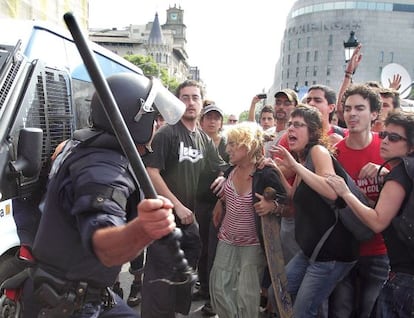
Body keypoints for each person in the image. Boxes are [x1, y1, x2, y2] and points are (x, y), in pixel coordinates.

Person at [21, 73, 178, 318]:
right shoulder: (103, 169)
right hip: (68, 304)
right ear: (136, 120)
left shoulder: (88, 146)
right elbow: (105, 246)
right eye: (153, 118)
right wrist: (143, 230)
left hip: (84, 293)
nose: (157, 125)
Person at [141, 79, 227, 318]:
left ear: (202, 103)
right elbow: (151, 172)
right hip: (165, 219)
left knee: (181, 280)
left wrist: (221, 176)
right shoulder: (167, 132)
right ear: (176, 102)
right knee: (159, 284)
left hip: (189, 222)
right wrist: (177, 206)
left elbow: (220, 165)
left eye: (195, 97)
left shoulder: (203, 138)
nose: (190, 102)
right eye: (185, 97)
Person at [272, 105, 358, 317]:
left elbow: (331, 191)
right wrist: (277, 170)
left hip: (332, 253)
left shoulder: (317, 151)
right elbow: (293, 195)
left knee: (303, 312)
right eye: (290, 124)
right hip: (311, 250)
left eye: (298, 125)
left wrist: (294, 165)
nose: (291, 129)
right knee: (281, 292)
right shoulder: (302, 158)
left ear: (312, 131)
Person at [326, 111, 414, 317]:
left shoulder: (399, 173)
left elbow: (377, 222)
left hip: (404, 277)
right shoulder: (403, 171)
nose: (384, 141)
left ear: (411, 146)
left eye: (393, 138)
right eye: (383, 135)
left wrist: (346, 192)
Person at [209, 121, 287, 318]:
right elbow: (227, 193)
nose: (228, 149)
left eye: (234, 144)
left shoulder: (266, 173)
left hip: (253, 244)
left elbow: (289, 205)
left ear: (248, 145)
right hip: (226, 238)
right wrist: (220, 202)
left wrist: (273, 206)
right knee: (219, 289)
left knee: (247, 296)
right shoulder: (230, 170)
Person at [328, 84, 389, 317]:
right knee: (341, 311)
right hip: (345, 251)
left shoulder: (387, 148)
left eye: (360, 108)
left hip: (380, 250)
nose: (352, 114)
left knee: (371, 311)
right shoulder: (333, 153)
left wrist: (386, 174)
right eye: (348, 108)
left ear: (374, 113)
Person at [193, 103, 229, 317]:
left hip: (220, 205)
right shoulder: (194, 141)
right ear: (202, 120)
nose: (212, 121)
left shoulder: (226, 144)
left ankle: (213, 300)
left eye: (217, 117)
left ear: (221, 122)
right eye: (209, 117)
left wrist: (224, 177)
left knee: (215, 252)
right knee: (201, 249)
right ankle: (204, 288)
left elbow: (234, 167)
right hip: (197, 203)